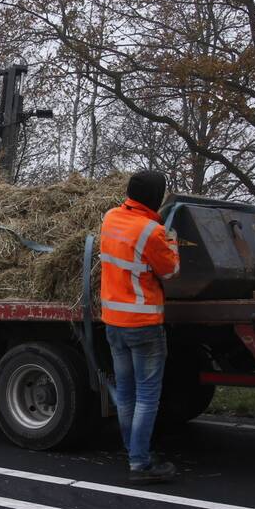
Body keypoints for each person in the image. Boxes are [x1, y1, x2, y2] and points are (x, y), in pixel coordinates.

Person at [100, 170, 181, 484]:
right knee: (147, 396)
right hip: (144, 325)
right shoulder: (152, 232)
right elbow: (171, 271)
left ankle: (131, 449)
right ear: (155, 198)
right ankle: (140, 462)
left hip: (113, 323)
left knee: (127, 393)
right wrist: (171, 236)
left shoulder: (110, 218)